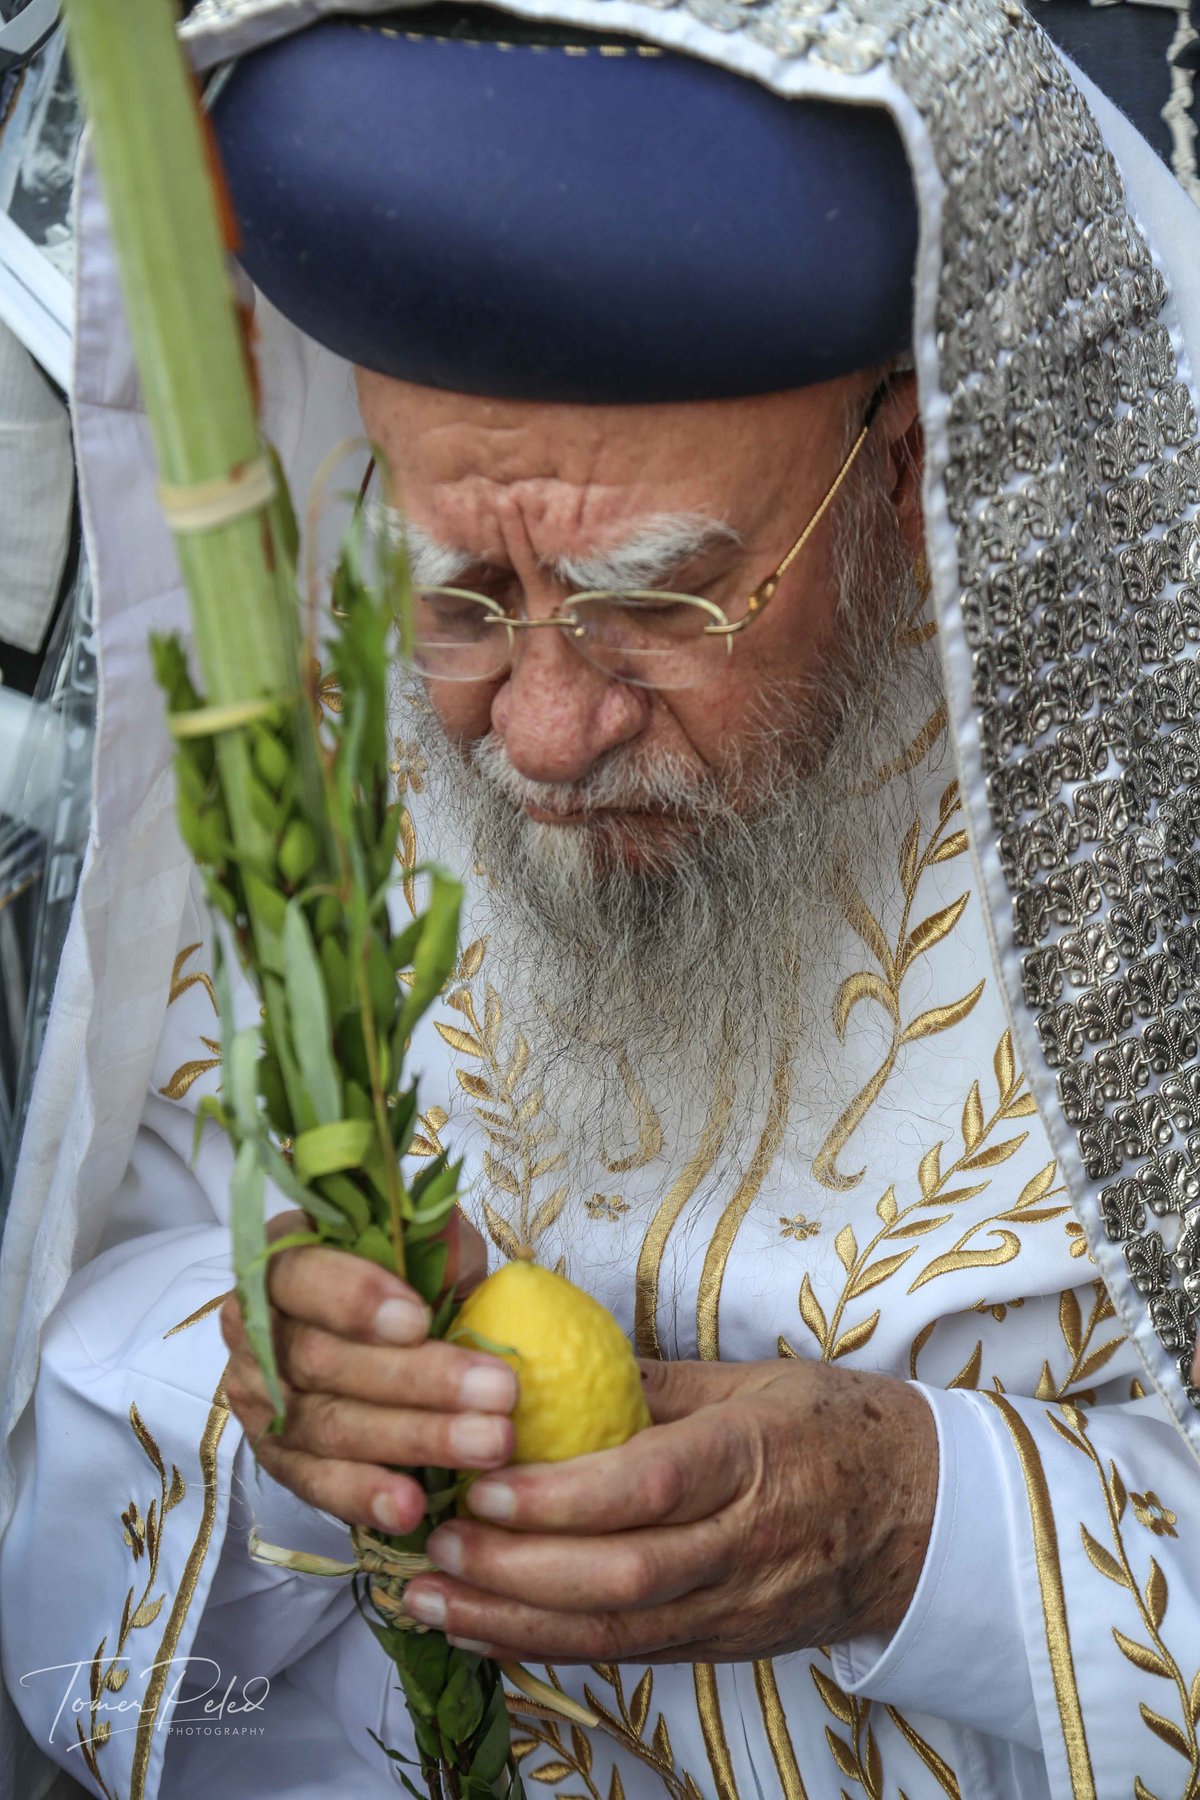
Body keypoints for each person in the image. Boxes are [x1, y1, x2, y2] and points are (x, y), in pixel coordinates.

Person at [4, 2, 1200, 1796]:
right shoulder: (323, 734)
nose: (545, 737)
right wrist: (270, 1398)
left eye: (666, 605)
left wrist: (918, 1528)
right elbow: (79, 1440)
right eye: (466, 594)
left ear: (912, 466)